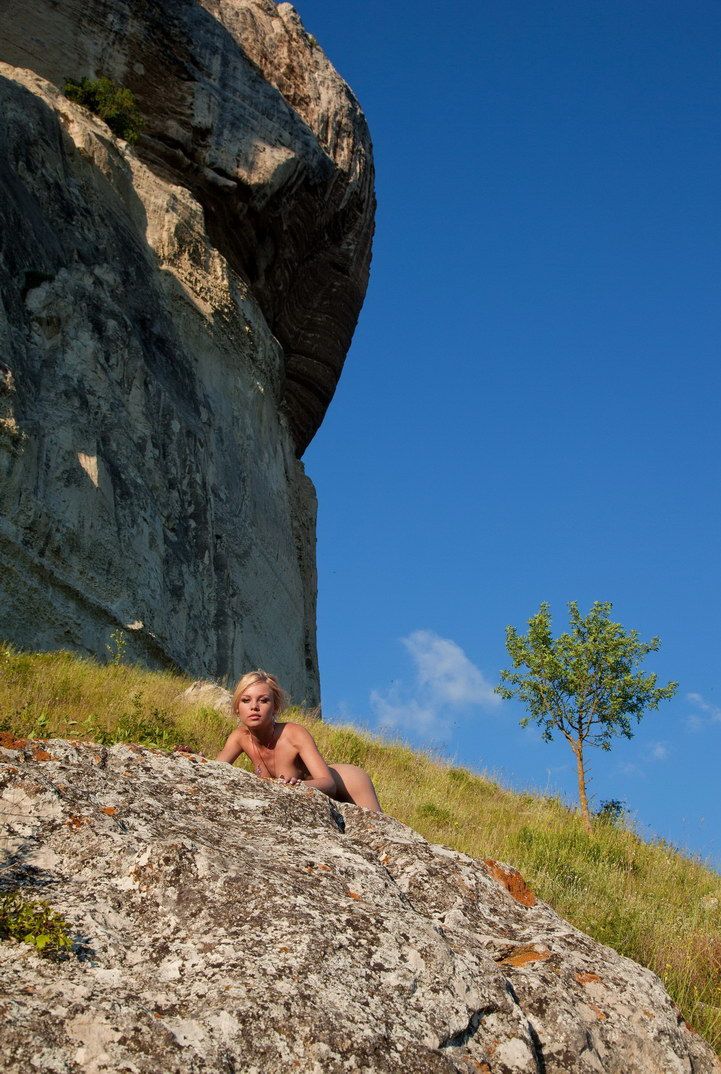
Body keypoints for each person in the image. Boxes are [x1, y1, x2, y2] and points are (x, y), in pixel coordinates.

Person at [217, 670, 382, 812]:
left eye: (264, 700)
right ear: (237, 708)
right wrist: (194, 758)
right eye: (246, 700)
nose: (254, 707)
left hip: (350, 784)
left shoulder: (293, 734)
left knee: (378, 836)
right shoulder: (239, 738)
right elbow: (215, 769)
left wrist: (300, 785)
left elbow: (328, 784)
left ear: (275, 707)